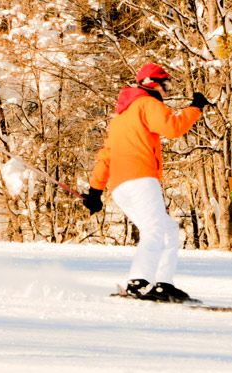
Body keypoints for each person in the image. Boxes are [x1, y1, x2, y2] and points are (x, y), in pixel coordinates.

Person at [81, 63, 211, 302]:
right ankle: (139, 282)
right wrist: (195, 108)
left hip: (121, 186)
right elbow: (173, 127)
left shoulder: (121, 117)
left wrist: (95, 190)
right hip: (140, 178)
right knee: (154, 229)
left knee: (168, 230)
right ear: (153, 83)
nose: (167, 91)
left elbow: (106, 155)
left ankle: (162, 284)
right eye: (166, 85)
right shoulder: (147, 103)